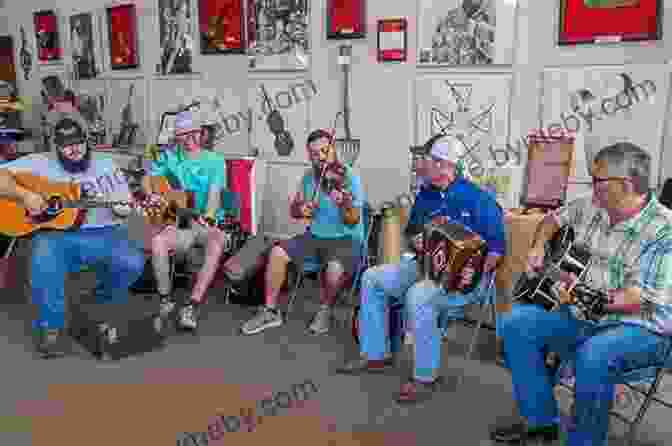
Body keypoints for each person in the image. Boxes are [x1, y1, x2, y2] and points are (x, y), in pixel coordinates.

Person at [489, 142, 672, 445]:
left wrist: (579, 295)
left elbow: (637, 299)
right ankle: (540, 422)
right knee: (515, 323)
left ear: (625, 185)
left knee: (595, 354)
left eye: (597, 180)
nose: (592, 185)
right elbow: (552, 220)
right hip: (586, 314)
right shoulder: (592, 205)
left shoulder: (664, 230)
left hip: (643, 330)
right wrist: (537, 247)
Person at [336, 135, 506, 404]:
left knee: (418, 295)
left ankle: (425, 377)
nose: (425, 167)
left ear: (448, 166)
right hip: (423, 266)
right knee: (372, 278)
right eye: (428, 161)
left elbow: (496, 252)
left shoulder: (479, 199)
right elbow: (413, 231)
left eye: (432, 162)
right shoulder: (425, 195)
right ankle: (375, 354)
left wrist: (471, 273)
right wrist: (416, 239)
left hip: (465, 281)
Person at [0, 118, 145, 358]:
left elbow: (124, 205)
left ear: (87, 141)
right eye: (67, 145)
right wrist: (24, 195)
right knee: (43, 255)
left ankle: (97, 300)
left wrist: (123, 208)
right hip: (57, 235)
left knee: (133, 262)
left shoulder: (107, 166)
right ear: (55, 146)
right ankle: (51, 326)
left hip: (104, 232)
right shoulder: (39, 162)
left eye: (79, 142)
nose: (75, 149)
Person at [238, 129, 365, 336]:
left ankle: (325, 309)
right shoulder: (309, 177)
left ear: (333, 149)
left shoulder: (350, 178)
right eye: (315, 154)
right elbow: (294, 209)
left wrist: (343, 204)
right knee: (277, 253)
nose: (321, 157)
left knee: (333, 268)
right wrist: (302, 209)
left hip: (346, 240)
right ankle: (270, 311)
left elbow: (353, 221)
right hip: (314, 237)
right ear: (310, 156)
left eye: (325, 150)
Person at [142, 110, 232, 331]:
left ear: (202, 133)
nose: (189, 138)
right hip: (179, 221)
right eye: (183, 134)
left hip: (206, 223)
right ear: (176, 137)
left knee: (216, 243)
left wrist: (208, 217)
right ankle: (165, 300)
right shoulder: (170, 157)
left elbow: (213, 198)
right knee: (158, 242)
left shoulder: (215, 161)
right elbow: (147, 177)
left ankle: (192, 305)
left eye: (194, 132)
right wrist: (150, 193)